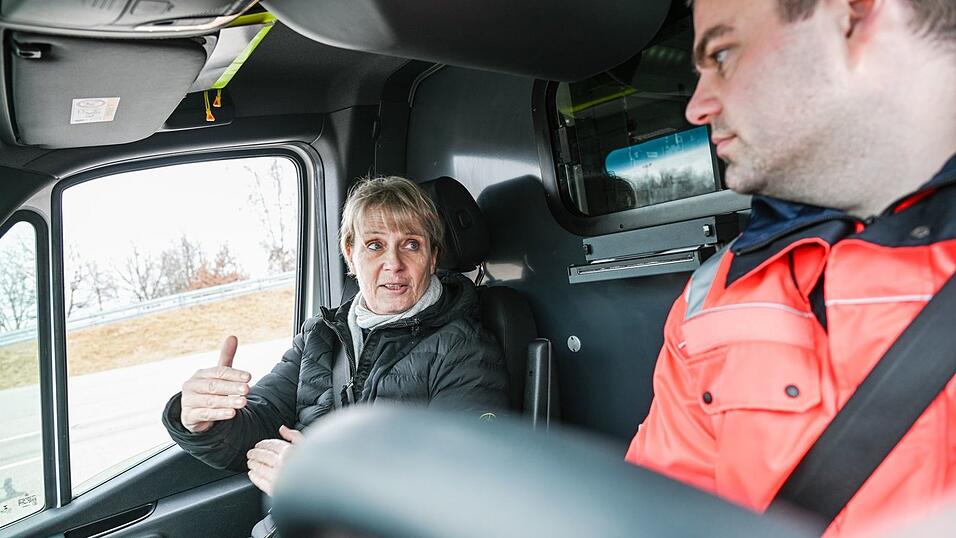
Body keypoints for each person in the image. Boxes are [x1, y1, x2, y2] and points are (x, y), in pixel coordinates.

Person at [625, 0, 956, 535]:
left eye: (723, 54)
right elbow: (658, 515)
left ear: (853, 14)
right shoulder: (711, 296)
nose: (697, 106)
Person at [162, 176, 509, 498]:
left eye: (411, 245)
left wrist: (323, 485)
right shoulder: (320, 336)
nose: (393, 263)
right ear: (350, 254)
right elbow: (261, 423)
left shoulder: (465, 350)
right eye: (374, 245)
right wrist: (203, 420)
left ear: (432, 258)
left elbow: (460, 482)